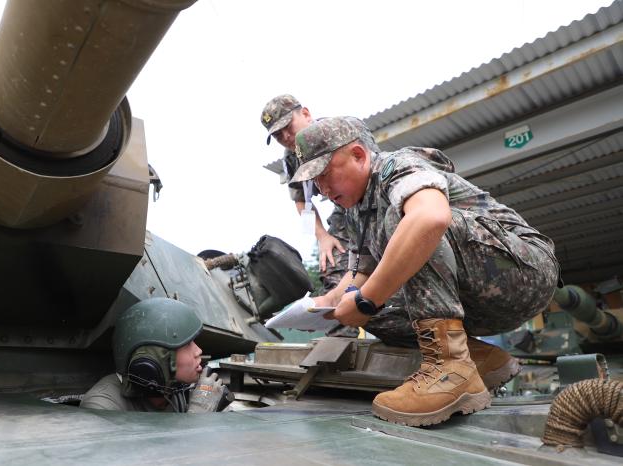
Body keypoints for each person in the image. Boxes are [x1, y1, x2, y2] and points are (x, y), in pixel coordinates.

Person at [290, 116, 559, 426]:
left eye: (325, 173)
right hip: (476, 298)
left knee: (403, 231)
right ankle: (476, 358)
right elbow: (361, 275)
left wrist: (367, 298)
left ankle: (450, 367)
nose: (321, 188)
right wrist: (327, 307)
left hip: (525, 272)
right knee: (364, 306)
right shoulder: (354, 212)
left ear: (359, 155)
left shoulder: (396, 165)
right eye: (315, 181)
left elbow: (430, 218)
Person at [261, 94, 381, 292]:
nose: (286, 137)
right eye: (277, 135)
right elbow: (301, 200)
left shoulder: (344, 129)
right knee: (333, 269)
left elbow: (374, 171)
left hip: (376, 200)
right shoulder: (292, 158)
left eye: (288, 127)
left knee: (383, 254)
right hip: (345, 212)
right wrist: (322, 236)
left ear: (306, 114)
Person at [80, 297, 231, 413]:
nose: (199, 351)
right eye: (186, 344)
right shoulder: (101, 406)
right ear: (153, 361)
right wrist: (197, 416)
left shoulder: (172, 389)